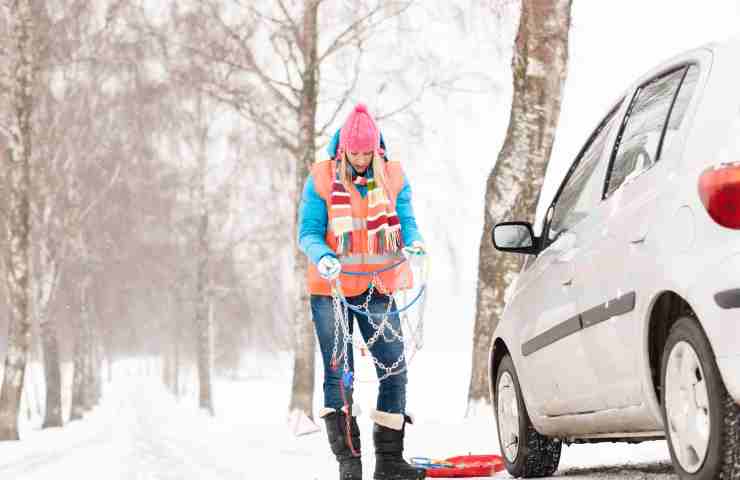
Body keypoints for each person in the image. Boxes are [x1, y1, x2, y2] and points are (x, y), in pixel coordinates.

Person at [298, 103, 427, 480]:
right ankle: (349, 465)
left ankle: (389, 462)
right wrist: (322, 255)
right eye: (352, 153)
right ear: (342, 150)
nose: (358, 159)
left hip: (377, 285)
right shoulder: (321, 178)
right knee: (340, 374)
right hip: (331, 288)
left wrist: (415, 242)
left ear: (376, 149)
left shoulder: (392, 176)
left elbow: (406, 221)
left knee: (394, 367)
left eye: (364, 153)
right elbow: (307, 230)